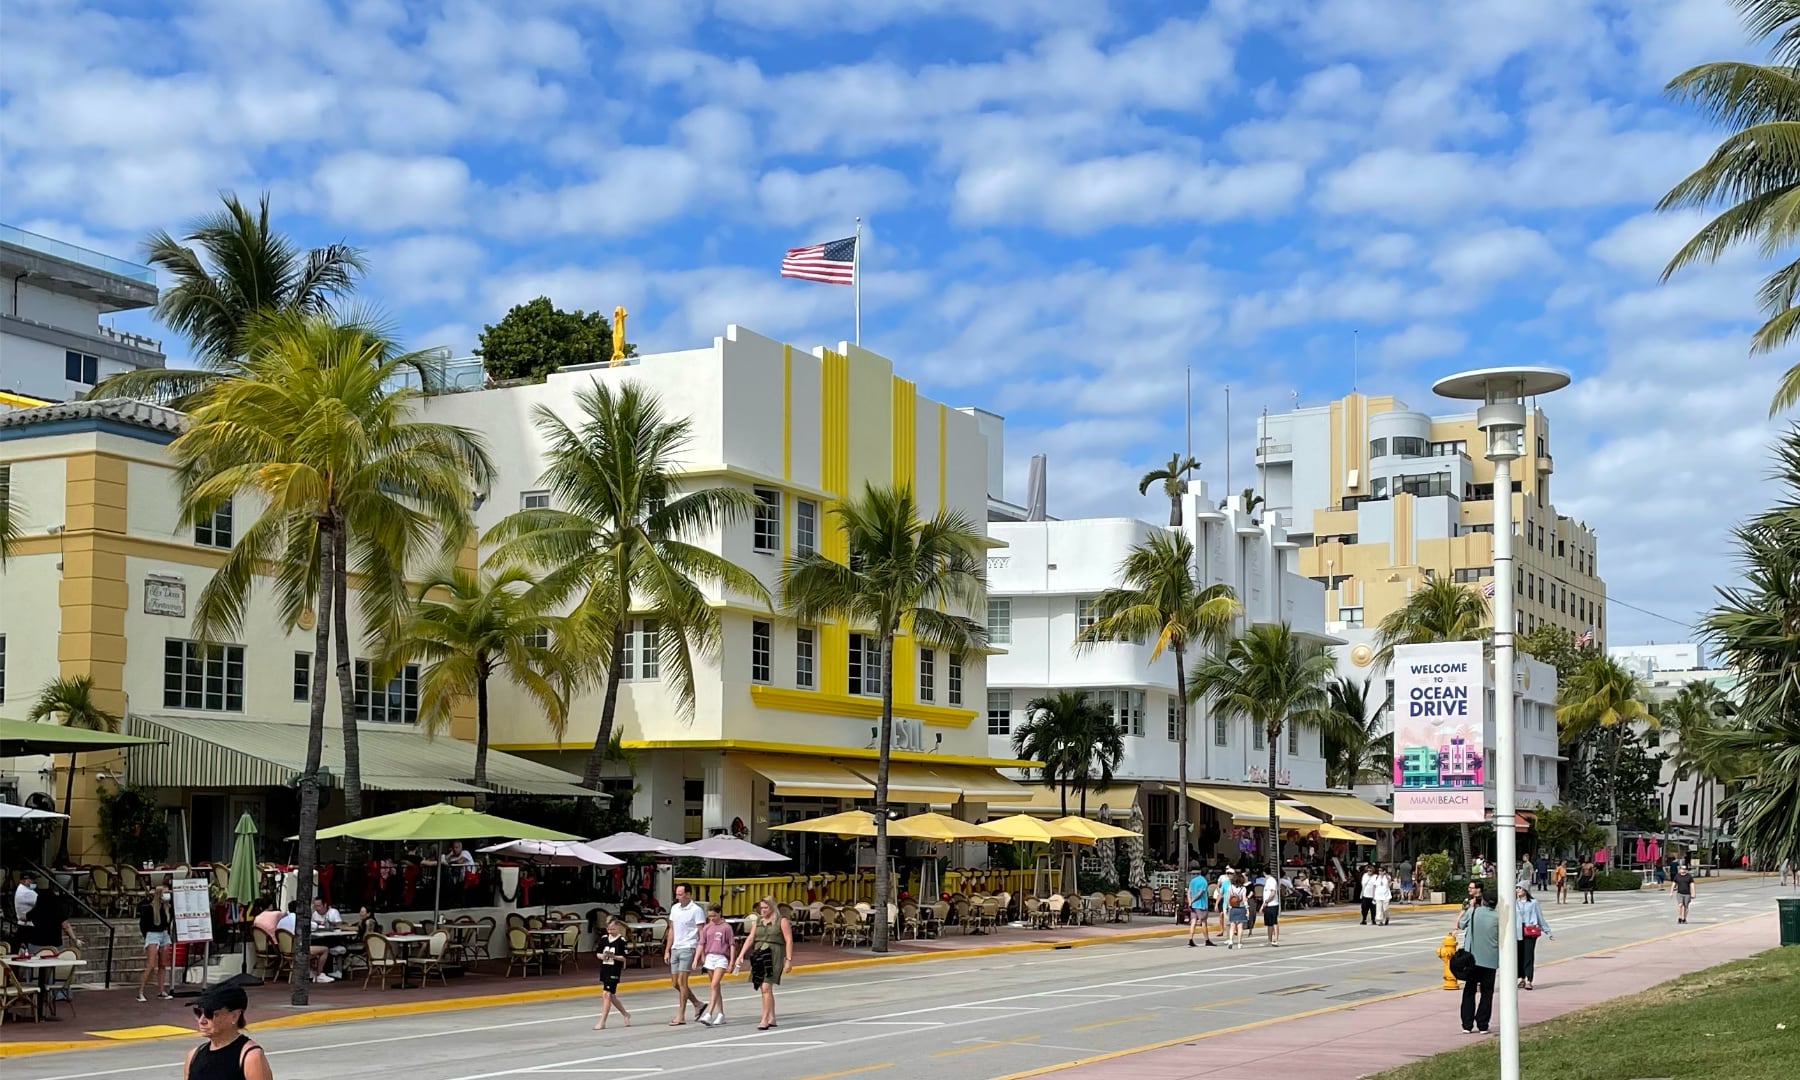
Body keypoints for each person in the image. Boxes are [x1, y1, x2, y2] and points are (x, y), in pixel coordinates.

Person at [183, 982, 273, 1080]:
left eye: (210, 1014)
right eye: (198, 1013)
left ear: (234, 1016)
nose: (202, 1021)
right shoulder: (193, 1056)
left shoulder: (250, 1057)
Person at [731, 896, 794, 1031]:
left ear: (772, 907)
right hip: (759, 954)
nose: (763, 910)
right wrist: (740, 955)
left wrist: (788, 960)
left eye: (766, 908)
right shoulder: (758, 921)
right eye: (761, 908)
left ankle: (764, 1019)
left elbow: (788, 940)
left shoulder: (781, 921)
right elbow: (750, 938)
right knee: (763, 987)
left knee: (766, 986)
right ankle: (772, 1017)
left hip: (774, 954)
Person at [663, 884, 707, 1025]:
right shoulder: (675, 908)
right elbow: (671, 929)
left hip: (689, 947)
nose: (678, 897)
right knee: (675, 983)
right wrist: (667, 949)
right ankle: (697, 1003)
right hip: (676, 947)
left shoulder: (696, 910)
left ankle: (680, 1015)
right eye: (677, 894)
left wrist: (701, 952)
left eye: (681, 894)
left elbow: (701, 932)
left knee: (682, 982)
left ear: (688, 894)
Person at [1457, 891, 1500, 1034]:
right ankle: (1482, 1024)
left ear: (1483, 901)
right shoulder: (1498, 916)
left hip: (1473, 960)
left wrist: (1470, 907)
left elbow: (1461, 924)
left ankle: (1467, 1024)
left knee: (1469, 990)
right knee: (1487, 992)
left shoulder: (1475, 912)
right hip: (1491, 959)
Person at [695, 904, 735, 1027]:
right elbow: (702, 944)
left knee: (714, 985)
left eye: (714, 916)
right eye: (710, 916)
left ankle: (709, 1013)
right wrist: (697, 958)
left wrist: (732, 962)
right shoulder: (707, 928)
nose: (712, 918)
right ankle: (721, 1014)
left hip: (721, 958)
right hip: (710, 957)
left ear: (719, 914)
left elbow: (732, 945)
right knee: (715, 987)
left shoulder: (726, 928)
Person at [593, 917, 633, 1030]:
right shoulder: (604, 939)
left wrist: (613, 956)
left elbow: (623, 958)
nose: (611, 932)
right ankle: (625, 1014)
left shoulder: (622, 941)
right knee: (611, 996)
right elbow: (598, 954)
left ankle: (602, 1021)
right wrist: (603, 956)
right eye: (609, 929)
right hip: (605, 968)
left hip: (614, 970)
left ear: (618, 928)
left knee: (606, 994)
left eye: (613, 929)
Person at [275, 903, 332, 983]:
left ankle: (310, 972)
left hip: (285, 951)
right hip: (298, 949)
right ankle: (319, 975)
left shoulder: (281, 920)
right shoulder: (299, 919)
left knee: (310, 945)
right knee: (325, 949)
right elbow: (314, 926)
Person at [137, 884, 175, 1002]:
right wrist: (146, 936)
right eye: (165, 892)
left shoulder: (168, 908)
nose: (167, 895)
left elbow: (168, 922)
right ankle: (141, 991)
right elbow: (143, 925)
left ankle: (161, 990)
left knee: (163, 964)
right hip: (152, 934)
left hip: (164, 934)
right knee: (151, 964)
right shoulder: (149, 908)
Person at [1514, 885, 1551, 990]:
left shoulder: (1533, 902)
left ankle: (1528, 979)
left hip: (1530, 931)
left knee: (1528, 955)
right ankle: (1521, 978)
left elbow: (1540, 917)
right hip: (1517, 931)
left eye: (1520, 888)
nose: (1518, 890)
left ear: (1525, 890)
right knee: (1518, 955)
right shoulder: (1514, 902)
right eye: (1516, 888)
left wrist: (1547, 930)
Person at [1185, 868, 1213, 947]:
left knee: (1193, 922)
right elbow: (1200, 893)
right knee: (1203, 922)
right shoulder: (1204, 882)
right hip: (1201, 905)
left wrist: (1190, 901)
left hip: (1193, 905)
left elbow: (1189, 891)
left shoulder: (1193, 880)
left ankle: (1190, 939)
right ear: (1207, 874)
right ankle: (1206, 939)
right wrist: (1193, 900)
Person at [1222, 871, 1250, 949]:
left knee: (1232, 926)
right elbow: (1244, 899)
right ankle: (1239, 943)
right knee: (1240, 927)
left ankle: (1230, 940)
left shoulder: (1230, 887)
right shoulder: (1243, 888)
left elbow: (1228, 898)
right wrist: (1247, 908)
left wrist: (1228, 907)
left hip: (1233, 908)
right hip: (1241, 908)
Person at [1261, 870, 1282, 946]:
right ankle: (1269, 940)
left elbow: (1273, 893)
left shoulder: (1271, 881)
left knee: (1274, 922)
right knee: (1269, 923)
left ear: (1264, 873)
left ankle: (1276, 939)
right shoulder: (1267, 881)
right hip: (1268, 905)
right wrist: (1264, 905)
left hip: (1272, 904)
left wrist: (1267, 901)